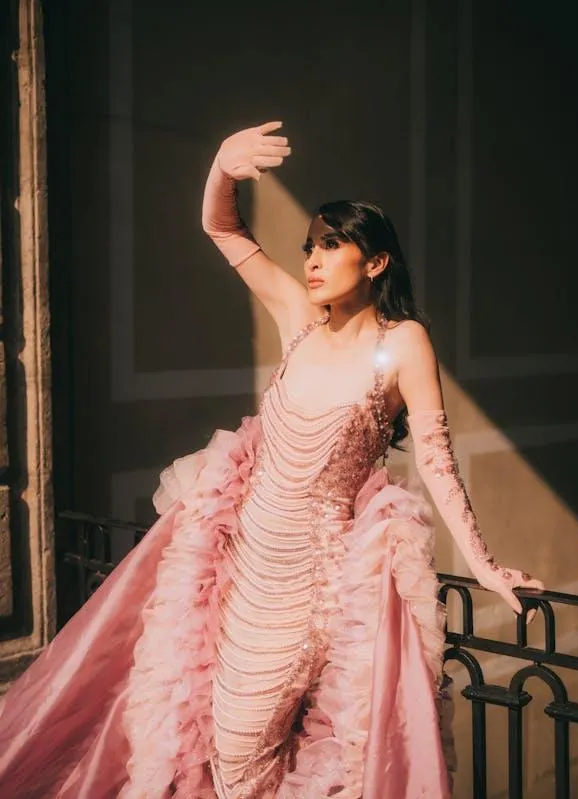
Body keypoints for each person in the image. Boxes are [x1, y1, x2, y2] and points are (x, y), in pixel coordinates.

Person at [0, 121, 543, 798]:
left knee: (242, 747)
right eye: (309, 245)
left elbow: (437, 462)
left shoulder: (402, 343)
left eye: (331, 245)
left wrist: (485, 565)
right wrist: (221, 168)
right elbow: (222, 227)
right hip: (238, 571)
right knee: (215, 746)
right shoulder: (298, 318)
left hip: (306, 591)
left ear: (376, 262)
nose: (312, 259)